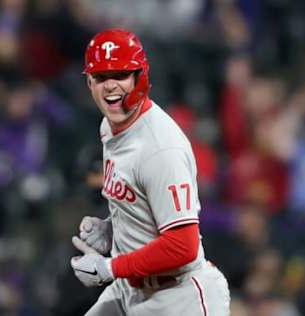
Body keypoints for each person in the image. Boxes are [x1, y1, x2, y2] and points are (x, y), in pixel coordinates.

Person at [70, 28, 231, 315]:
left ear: (140, 77)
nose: (110, 86)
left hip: (178, 298)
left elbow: (183, 246)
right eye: (101, 77)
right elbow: (141, 197)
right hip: (130, 288)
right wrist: (114, 227)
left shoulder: (160, 149)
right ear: (89, 82)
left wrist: (110, 266)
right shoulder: (110, 126)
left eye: (120, 75)